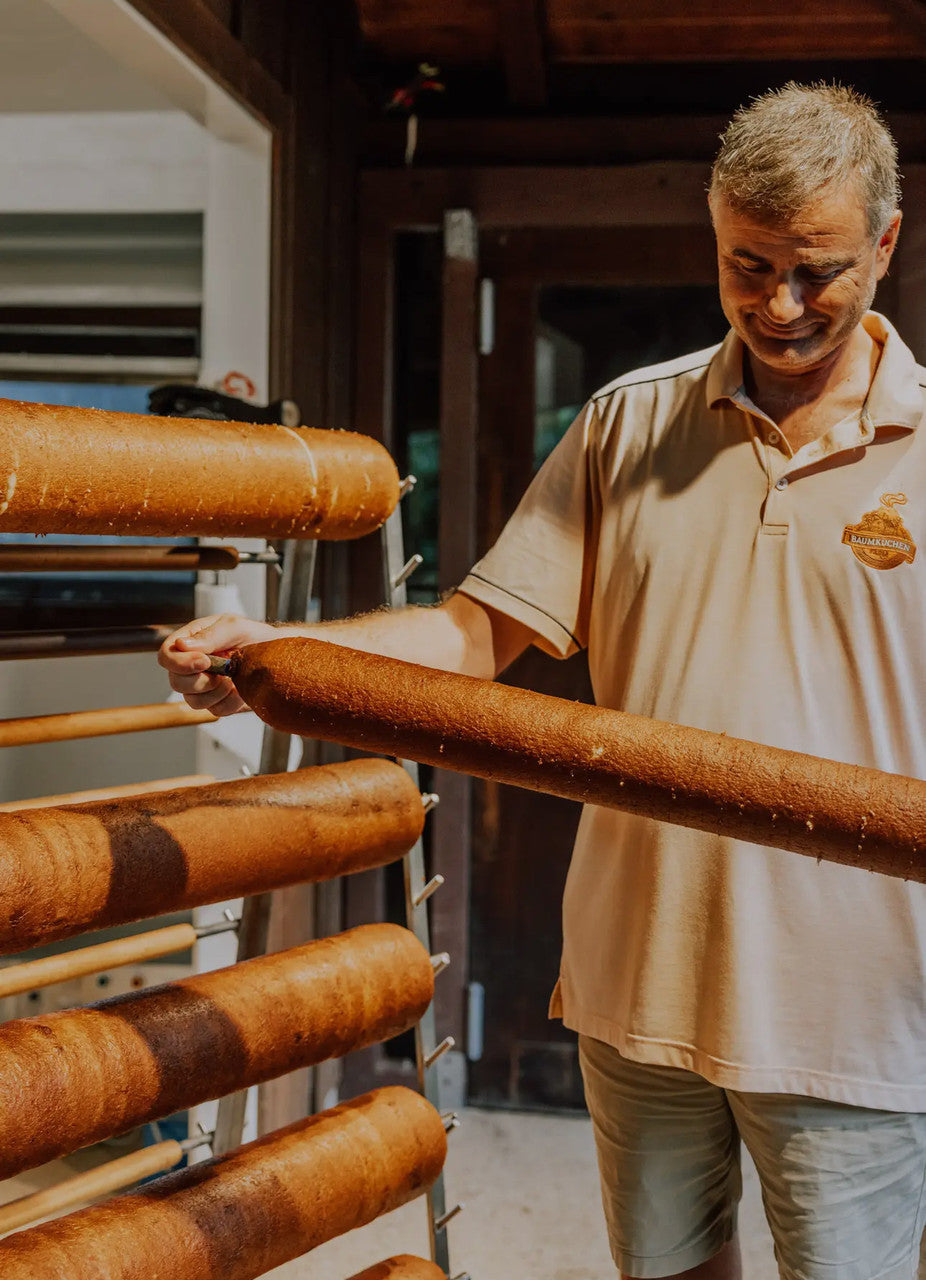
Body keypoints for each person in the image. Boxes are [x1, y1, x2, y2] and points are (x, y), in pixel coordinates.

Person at [161, 83, 926, 1280]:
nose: (777, 304)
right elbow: (473, 637)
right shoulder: (625, 425)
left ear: (883, 242)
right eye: (745, 262)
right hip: (640, 979)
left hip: (859, 1009)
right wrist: (269, 659)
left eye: (815, 270)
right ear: (712, 236)